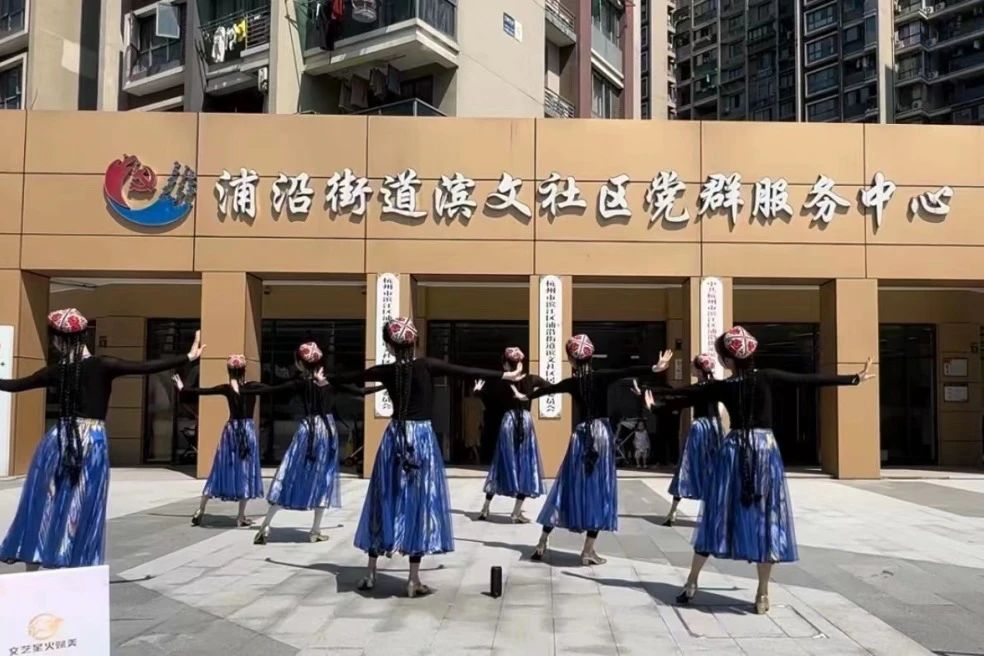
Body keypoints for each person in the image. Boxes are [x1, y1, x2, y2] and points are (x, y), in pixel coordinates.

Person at [644, 326, 874, 614]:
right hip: (765, 450)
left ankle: (691, 582)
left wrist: (655, 406)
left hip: (733, 451)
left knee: (717, 513)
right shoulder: (767, 376)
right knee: (767, 518)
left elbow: (684, 396)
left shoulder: (723, 386)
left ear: (728, 360)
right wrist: (853, 378)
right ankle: (763, 593)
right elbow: (809, 380)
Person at [333, 317, 525, 597]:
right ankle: (413, 578)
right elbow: (464, 370)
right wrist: (504, 376)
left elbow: (348, 378)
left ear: (389, 345)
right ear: (415, 343)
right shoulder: (426, 366)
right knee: (420, 504)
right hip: (422, 439)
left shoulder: (385, 371)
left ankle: (371, 572)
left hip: (394, 438)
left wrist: (321, 377)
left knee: (382, 499)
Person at [0, 309, 203, 569]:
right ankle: (70, 561)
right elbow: (144, 367)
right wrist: (187, 357)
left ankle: (36, 561)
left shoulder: (55, 371)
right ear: (84, 336)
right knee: (82, 503)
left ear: (58, 340)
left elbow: (15, 385)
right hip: (91, 442)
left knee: (45, 499)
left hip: (58, 440)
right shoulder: (103, 365)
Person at [517, 335, 673, 566]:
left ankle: (541, 542)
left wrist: (526, 396)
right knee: (600, 489)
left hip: (580, 435)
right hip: (601, 434)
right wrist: (653, 367)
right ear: (591, 356)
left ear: (571, 359)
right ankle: (588, 551)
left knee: (566, 486)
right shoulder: (602, 376)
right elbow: (626, 370)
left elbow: (550, 389)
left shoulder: (572, 383)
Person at [253, 342, 381, 545]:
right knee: (324, 479)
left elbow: (272, 389)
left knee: (290, 475)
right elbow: (362, 392)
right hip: (327, 432)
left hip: (307, 430)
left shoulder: (299, 383)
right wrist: (385, 385)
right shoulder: (329, 381)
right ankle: (315, 530)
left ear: (300, 363)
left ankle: (266, 525)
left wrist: (249, 387)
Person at [174, 354, 282, 528]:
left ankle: (201, 508)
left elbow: (202, 391)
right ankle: (240, 516)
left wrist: (182, 388)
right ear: (244, 370)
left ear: (229, 370)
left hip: (231, 430)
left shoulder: (226, 388)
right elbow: (275, 389)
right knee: (246, 471)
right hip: (246, 431)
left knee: (220, 467)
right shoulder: (252, 386)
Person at [646, 353, 727, 527]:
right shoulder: (718, 386)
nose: (690, 368)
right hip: (716, 429)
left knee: (686, 466)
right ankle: (716, 513)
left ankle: (673, 511)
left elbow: (677, 399)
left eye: (692, 366)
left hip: (700, 428)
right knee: (714, 469)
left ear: (699, 370)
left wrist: (653, 405)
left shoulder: (696, 389)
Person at [475, 346, 548, 524]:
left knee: (501, 463)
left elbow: (488, 400)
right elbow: (549, 387)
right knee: (526, 466)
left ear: (506, 364)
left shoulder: (500, 382)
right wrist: (529, 396)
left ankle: (485, 508)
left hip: (508, 423)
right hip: (525, 423)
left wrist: (478, 391)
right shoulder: (532, 379)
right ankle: (516, 513)